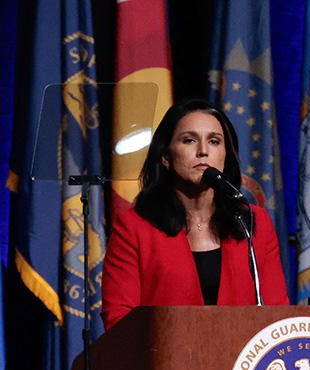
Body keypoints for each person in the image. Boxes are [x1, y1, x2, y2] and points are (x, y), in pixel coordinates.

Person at [100, 99, 289, 330]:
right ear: (165, 157)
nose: (203, 151)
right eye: (189, 140)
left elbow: (277, 314)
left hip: (243, 363)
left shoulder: (252, 221)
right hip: (165, 362)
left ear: (225, 155)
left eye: (214, 141)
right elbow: (119, 320)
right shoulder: (133, 227)